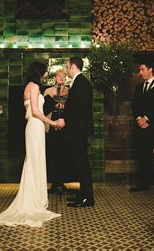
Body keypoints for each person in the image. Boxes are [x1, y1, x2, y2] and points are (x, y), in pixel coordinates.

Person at [0, 61, 60, 227]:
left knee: (32, 161)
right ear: (39, 73)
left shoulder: (26, 87)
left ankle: (34, 197)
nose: (45, 75)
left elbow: (29, 111)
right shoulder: (35, 87)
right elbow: (37, 112)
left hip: (30, 126)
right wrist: (52, 122)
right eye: (44, 72)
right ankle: (35, 200)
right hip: (36, 125)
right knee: (35, 161)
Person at [57, 57, 95, 207]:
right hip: (77, 130)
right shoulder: (80, 82)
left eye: (67, 67)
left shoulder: (81, 83)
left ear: (73, 66)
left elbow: (81, 109)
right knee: (80, 164)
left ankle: (87, 198)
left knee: (82, 164)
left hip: (79, 131)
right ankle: (83, 195)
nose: (66, 70)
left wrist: (65, 121)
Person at [130, 62, 154, 192]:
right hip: (140, 126)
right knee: (142, 154)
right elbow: (134, 105)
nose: (140, 73)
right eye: (139, 70)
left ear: (150, 70)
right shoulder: (138, 87)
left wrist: (146, 118)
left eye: (142, 69)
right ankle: (143, 183)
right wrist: (138, 119)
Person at [44, 69, 70, 194]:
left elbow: (72, 107)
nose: (61, 78)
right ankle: (54, 183)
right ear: (55, 77)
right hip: (51, 124)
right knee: (52, 153)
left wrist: (63, 106)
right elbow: (43, 108)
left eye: (63, 76)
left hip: (64, 125)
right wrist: (54, 106)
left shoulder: (69, 91)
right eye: (59, 76)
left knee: (64, 153)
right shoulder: (48, 91)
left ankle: (62, 181)